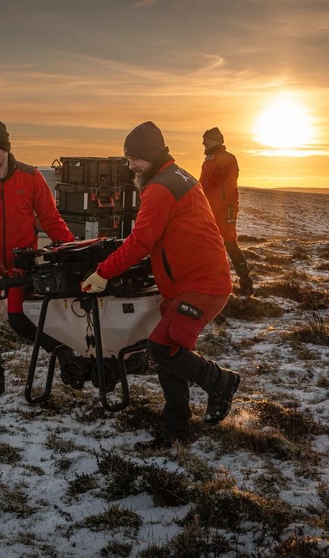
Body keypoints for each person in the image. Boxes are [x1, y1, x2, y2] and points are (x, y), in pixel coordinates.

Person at [81, 121, 239, 449]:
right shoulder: (178, 176)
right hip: (194, 282)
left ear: (151, 156)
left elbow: (141, 242)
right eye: (127, 160)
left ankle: (221, 382)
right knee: (170, 351)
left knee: (160, 348)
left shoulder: (161, 187)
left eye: (134, 159)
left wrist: (102, 273)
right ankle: (176, 432)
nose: (130, 166)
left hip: (202, 284)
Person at [0, 120, 78, 405]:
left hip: (22, 261)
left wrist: (72, 249)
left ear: (4, 149)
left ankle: (63, 351)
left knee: (20, 320)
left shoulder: (30, 176)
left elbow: (50, 218)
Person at [199, 127, 255, 296]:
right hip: (209, 209)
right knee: (210, 244)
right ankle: (215, 284)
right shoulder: (209, 160)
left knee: (230, 243)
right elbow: (202, 184)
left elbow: (221, 179)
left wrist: (209, 163)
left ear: (215, 140)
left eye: (206, 140)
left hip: (226, 209)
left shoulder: (229, 159)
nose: (203, 143)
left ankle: (246, 282)